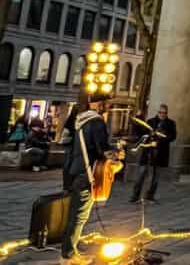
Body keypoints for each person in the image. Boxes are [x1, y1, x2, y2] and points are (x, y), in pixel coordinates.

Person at [61, 95, 114, 264]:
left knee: (76, 215)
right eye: (106, 103)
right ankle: (68, 255)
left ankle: (70, 250)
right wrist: (116, 155)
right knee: (79, 217)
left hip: (76, 171)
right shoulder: (97, 122)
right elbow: (102, 149)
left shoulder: (80, 121)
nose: (108, 106)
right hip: (88, 173)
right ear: (99, 104)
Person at [129, 104, 177, 203]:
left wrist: (162, 138)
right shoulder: (151, 121)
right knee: (141, 174)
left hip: (161, 153)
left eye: (164, 113)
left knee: (156, 177)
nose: (162, 114)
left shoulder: (171, 123)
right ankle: (135, 196)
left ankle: (150, 196)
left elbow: (172, 137)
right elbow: (142, 133)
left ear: (167, 113)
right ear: (157, 112)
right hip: (148, 152)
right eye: (160, 112)